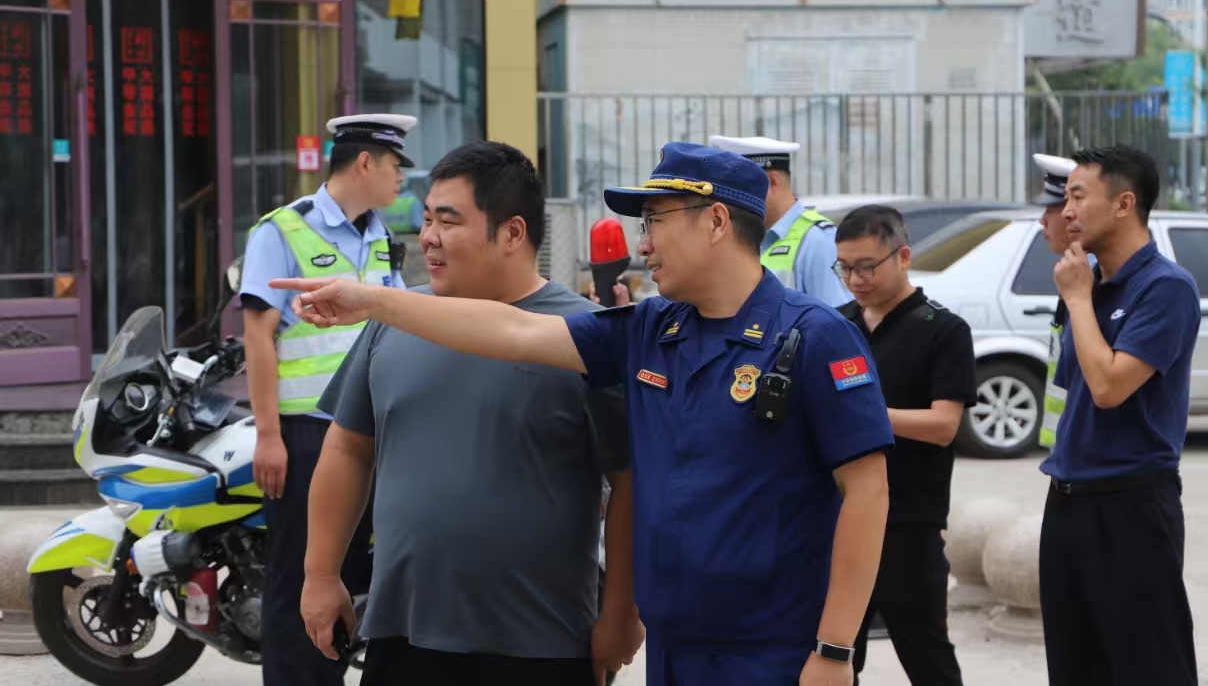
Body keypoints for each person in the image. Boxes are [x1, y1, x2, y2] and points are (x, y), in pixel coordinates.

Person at [271, 141, 896, 686]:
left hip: (774, 647)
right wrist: (371, 302)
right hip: (677, 645)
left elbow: (868, 493)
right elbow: (516, 331)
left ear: (714, 221)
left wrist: (835, 648)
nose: (642, 243)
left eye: (654, 221)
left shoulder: (813, 337)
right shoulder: (653, 330)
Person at [298, 141, 644, 686]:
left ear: (512, 233)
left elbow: (631, 485)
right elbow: (346, 449)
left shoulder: (583, 337)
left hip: (540, 644)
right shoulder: (392, 321)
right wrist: (320, 574)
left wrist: (621, 613)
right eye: (427, 219)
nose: (429, 236)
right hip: (402, 636)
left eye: (449, 221)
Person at [239, 113, 414, 686]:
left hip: (372, 431)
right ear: (364, 163)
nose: (400, 179)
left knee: (356, 577)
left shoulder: (381, 238)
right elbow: (258, 336)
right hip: (307, 435)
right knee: (300, 578)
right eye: (394, 166)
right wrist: (269, 435)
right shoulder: (282, 231)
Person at [1040, 145, 1201, 686]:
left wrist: (1079, 301)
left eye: (1078, 197)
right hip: (1067, 502)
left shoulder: (1165, 288)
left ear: (1124, 204)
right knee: (1074, 669)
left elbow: (1109, 387)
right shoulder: (1086, 282)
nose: (1066, 212)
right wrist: (1080, 296)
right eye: (1065, 199)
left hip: (1131, 508)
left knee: (1148, 668)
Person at [834, 206, 974, 686]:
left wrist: (864, 417)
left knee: (927, 656)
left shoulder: (943, 330)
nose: (855, 280)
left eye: (867, 266)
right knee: (833, 656)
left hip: (908, 524)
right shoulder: (836, 326)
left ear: (903, 257)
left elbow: (943, 424)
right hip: (840, 519)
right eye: (845, 267)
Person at [708, 135, 852, 307]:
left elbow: (835, 316)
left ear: (772, 182)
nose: (732, 200)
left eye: (741, 190)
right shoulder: (742, 238)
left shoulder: (817, 240)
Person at [1031, 152, 1079, 451]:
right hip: (1066, 455)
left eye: (1051, 209)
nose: (1042, 220)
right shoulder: (1073, 272)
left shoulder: (1092, 279)